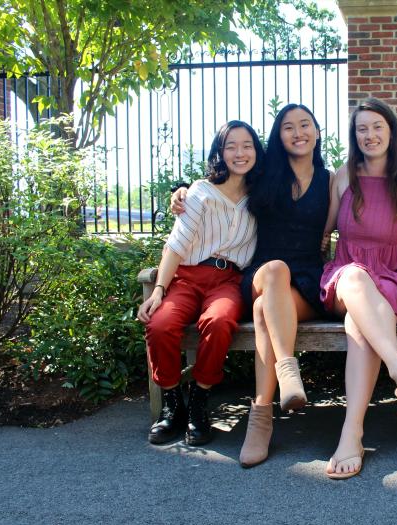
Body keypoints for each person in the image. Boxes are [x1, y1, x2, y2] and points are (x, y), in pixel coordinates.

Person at [171, 104, 335, 468]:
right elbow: (217, 186)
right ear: (279, 137)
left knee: (265, 311)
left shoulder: (331, 180)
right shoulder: (264, 176)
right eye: (288, 127)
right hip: (261, 273)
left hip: (306, 281)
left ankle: (261, 417)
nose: (297, 132)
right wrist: (181, 190)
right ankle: (288, 371)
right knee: (274, 272)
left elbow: (364, 202)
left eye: (305, 125)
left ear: (317, 132)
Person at [320, 98, 397, 480]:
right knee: (356, 279)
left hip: (392, 278)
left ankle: (351, 433)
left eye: (377, 127)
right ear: (355, 136)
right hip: (345, 274)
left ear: (391, 131)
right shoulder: (343, 176)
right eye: (362, 129)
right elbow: (325, 233)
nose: (370, 135)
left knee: (362, 326)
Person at [138, 120, 262, 447]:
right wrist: (160, 290)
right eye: (231, 146)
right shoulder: (199, 192)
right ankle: (172, 402)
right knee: (161, 324)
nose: (240, 152)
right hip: (188, 277)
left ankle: (198, 400)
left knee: (219, 322)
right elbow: (176, 245)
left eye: (247, 145)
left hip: (229, 280)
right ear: (219, 153)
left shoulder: (260, 197)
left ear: (256, 151)